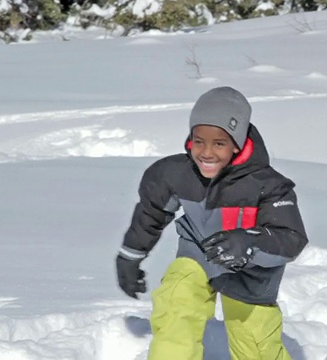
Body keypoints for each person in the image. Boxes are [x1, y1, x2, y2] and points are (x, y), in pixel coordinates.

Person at [116, 86, 308, 360]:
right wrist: (130, 256)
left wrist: (249, 242)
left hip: (250, 271)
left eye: (219, 143)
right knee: (175, 305)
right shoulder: (175, 175)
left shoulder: (267, 185)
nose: (206, 152)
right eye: (198, 141)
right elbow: (151, 214)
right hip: (197, 256)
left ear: (237, 143)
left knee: (255, 343)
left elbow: (290, 239)